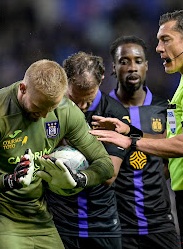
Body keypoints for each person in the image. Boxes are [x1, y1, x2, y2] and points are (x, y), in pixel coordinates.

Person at [0, 59, 115, 249]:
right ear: (23, 88)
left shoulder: (66, 110)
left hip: (37, 214)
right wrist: (11, 180)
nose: (43, 116)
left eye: (50, 109)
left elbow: (105, 166)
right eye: (38, 107)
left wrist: (78, 180)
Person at [90, 10, 183, 248]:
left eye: (166, 39)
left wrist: (130, 143)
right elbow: (174, 137)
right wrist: (131, 131)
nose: (158, 48)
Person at [45, 51, 130, 249]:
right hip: (59, 222)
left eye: (88, 99)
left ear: (101, 80)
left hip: (101, 223)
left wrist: (73, 138)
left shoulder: (115, 114)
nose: (82, 106)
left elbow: (109, 174)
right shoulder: (48, 110)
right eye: (75, 99)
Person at [109, 35, 180, 249]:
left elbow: (174, 156)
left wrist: (153, 175)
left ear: (146, 66)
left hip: (160, 223)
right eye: (124, 61)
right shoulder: (102, 111)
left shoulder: (165, 109)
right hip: (118, 226)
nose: (132, 67)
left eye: (138, 61)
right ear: (114, 67)